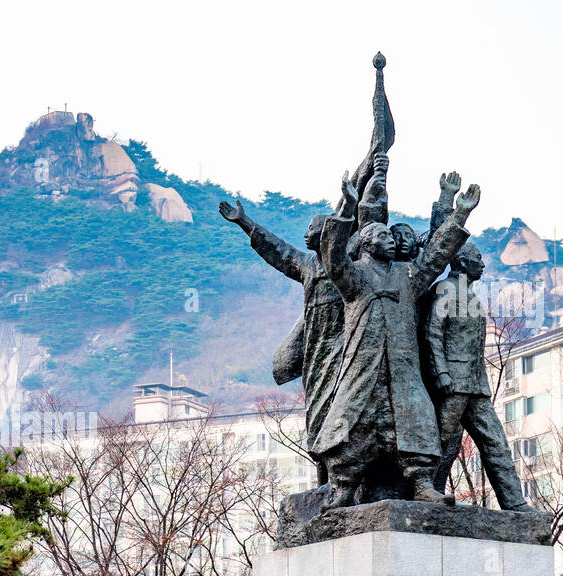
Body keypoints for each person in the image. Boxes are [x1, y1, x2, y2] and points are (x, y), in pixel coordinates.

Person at [312, 167, 481, 509]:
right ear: (366, 244)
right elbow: (332, 256)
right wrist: (347, 206)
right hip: (365, 368)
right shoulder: (354, 277)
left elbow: (435, 258)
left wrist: (459, 212)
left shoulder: (408, 276)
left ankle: (421, 482)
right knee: (354, 425)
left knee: (414, 422)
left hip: (403, 371)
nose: (390, 238)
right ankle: (343, 487)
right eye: (382, 236)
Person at [219, 198, 342, 485]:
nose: (305, 233)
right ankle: (324, 480)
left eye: (311, 229)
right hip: (316, 352)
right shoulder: (308, 266)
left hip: (342, 349)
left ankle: (342, 477)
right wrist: (244, 222)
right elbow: (279, 251)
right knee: (317, 414)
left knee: (339, 413)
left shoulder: (343, 267)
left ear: (325, 235)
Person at [423, 240, 533, 510]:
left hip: (475, 383)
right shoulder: (445, 290)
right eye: (477, 258)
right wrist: (441, 372)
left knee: (495, 441)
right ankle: (424, 491)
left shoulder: (470, 295)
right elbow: (432, 333)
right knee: (441, 441)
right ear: (461, 261)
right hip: (454, 382)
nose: (482, 264)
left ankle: (514, 502)